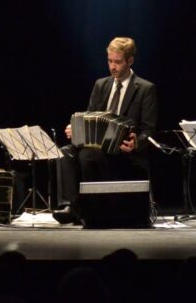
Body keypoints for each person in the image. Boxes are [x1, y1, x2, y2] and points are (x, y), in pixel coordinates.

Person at [54, 37, 158, 224]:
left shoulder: (145, 89)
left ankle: (88, 212)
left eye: (117, 62)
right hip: (97, 147)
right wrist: (75, 129)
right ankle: (69, 205)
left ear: (130, 61)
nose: (112, 66)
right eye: (110, 61)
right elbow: (89, 118)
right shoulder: (101, 85)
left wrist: (136, 142)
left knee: (87, 155)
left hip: (124, 151)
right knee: (64, 153)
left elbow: (149, 130)